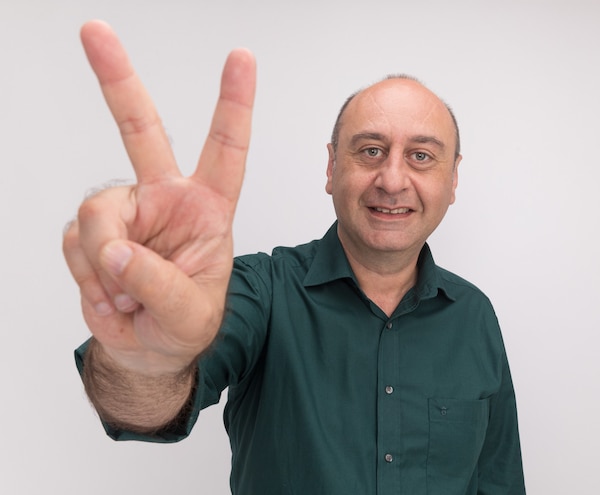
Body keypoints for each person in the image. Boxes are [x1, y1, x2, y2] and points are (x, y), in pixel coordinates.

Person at [64, 20, 525, 495]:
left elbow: (498, 483)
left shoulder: (474, 316)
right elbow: (142, 411)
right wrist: (145, 361)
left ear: (453, 180)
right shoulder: (260, 290)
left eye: (421, 157)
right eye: (370, 150)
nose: (392, 179)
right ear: (331, 167)